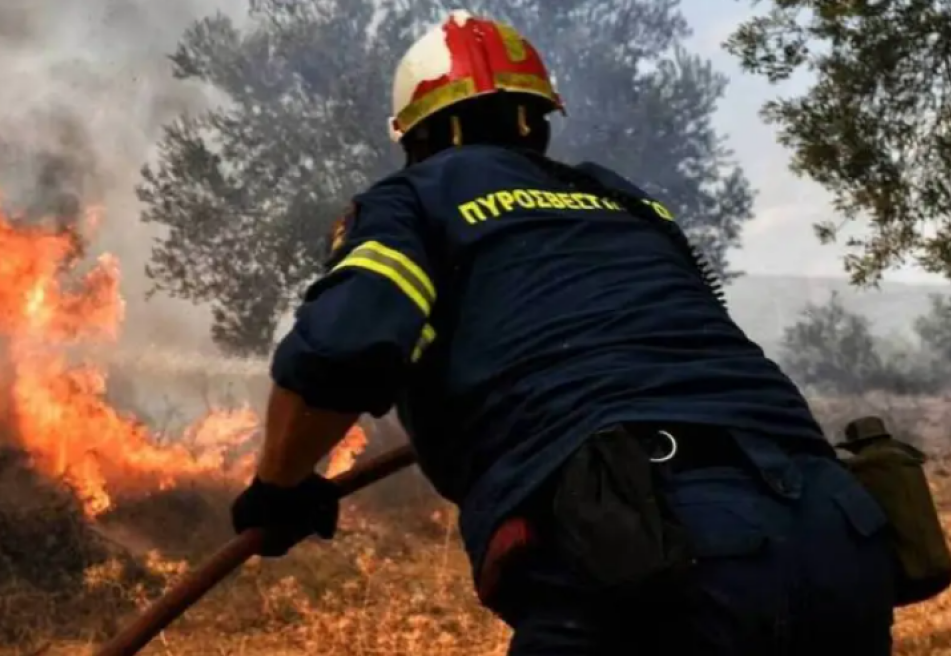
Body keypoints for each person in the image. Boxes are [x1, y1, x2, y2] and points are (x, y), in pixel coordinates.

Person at [230, 9, 896, 655]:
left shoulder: (412, 200)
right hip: (840, 534)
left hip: (645, 546)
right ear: (538, 124)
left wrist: (277, 488)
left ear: (418, 138)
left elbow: (341, 349)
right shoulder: (627, 203)